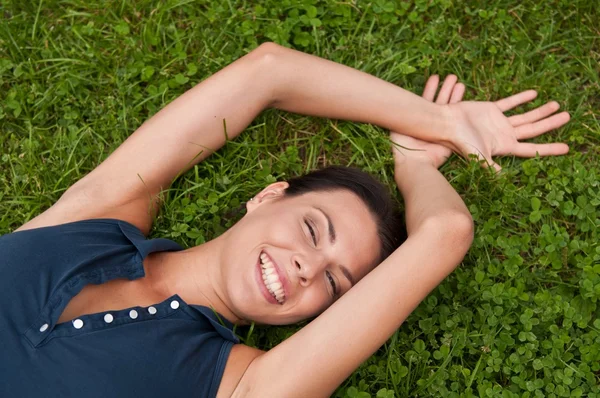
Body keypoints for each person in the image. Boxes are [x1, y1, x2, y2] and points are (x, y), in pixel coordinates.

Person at [0, 42, 570, 397]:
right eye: (312, 229)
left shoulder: (242, 383)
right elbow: (268, 71)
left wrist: (416, 159)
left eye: (332, 281)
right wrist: (435, 117)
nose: (307, 266)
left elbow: (446, 233)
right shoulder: (97, 217)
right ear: (269, 196)